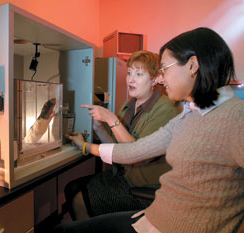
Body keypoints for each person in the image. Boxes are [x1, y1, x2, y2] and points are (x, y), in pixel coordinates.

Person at [54, 27, 244, 233]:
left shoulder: (235, 116)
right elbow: (135, 150)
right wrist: (85, 146)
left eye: (165, 69)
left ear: (192, 65)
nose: (161, 79)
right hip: (159, 216)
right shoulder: (188, 115)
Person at [64, 50, 180, 221]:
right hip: (122, 175)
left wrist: (111, 119)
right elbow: (116, 148)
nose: (131, 79)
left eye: (139, 74)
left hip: (145, 185)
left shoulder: (166, 108)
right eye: (129, 73)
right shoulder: (128, 105)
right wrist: (99, 128)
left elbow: (137, 154)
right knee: (71, 188)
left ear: (155, 79)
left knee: (80, 202)